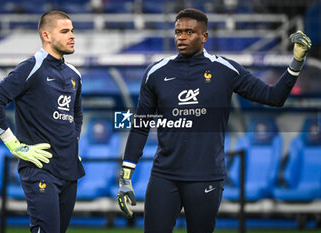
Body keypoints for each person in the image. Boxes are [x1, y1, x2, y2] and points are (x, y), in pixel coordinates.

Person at [116, 8, 312, 233]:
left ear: (204, 37)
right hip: (164, 176)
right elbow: (140, 126)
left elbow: (273, 97)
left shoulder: (224, 70)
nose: (182, 37)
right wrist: (126, 174)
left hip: (206, 178)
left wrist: (296, 61)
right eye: (178, 31)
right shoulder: (156, 72)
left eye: (189, 32)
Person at [0, 11, 85, 233]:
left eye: (73, 31)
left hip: (69, 170)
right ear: (47, 35)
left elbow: (77, 114)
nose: (72, 36)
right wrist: (15, 146)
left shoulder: (74, 74)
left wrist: (72, 142)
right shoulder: (32, 67)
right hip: (39, 169)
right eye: (65, 31)